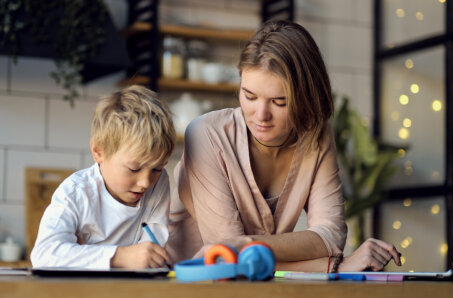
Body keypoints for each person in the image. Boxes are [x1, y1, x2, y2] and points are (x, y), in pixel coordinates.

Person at [166, 20, 401, 273]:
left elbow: (330, 236)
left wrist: (246, 243)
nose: (261, 115)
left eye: (279, 102)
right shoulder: (206, 135)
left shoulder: (317, 135)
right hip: (189, 285)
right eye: (249, 96)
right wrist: (334, 266)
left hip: (268, 286)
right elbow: (228, 257)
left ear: (307, 98)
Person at [31, 85, 176, 269]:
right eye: (133, 169)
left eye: (157, 169)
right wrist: (120, 257)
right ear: (98, 152)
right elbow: (44, 254)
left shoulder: (158, 183)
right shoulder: (75, 193)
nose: (146, 183)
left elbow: (149, 256)